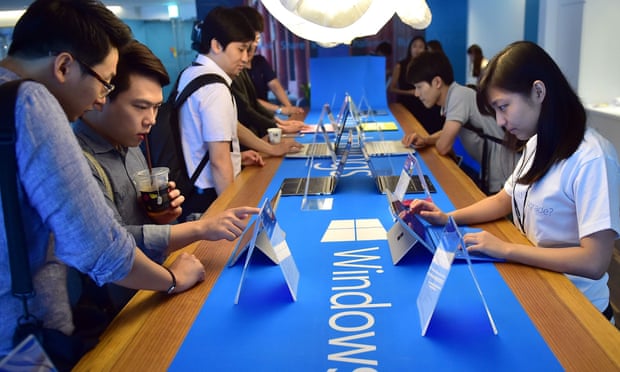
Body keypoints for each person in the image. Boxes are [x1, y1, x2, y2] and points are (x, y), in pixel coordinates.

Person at [0, 0, 204, 361]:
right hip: (20, 339)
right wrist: (172, 280)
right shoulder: (31, 102)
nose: (99, 100)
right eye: (106, 84)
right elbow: (99, 247)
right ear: (64, 66)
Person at [409, 41, 620, 319]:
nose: (500, 121)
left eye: (504, 107)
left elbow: (594, 261)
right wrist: (448, 217)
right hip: (540, 285)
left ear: (538, 91)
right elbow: (504, 199)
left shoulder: (592, 158)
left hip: (579, 309)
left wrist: (507, 249)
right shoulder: (536, 143)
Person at [74, 40, 260, 311]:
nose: (150, 119)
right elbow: (111, 244)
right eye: (140, 107)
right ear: (102, 96)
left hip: (156, 286)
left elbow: (141, 224)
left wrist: (160, 218)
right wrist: (199, 228)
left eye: (156, 107)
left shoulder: (130, 143)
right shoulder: (76, 161)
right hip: (119, 306)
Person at [178, 6, 265, 219]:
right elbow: (219, 161)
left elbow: (199, 138)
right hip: (209, 198)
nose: (246, 58)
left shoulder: (191, 73)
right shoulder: (215, 88)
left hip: (194, 191)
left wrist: (236, 156)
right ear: (216, 45)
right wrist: (235, 213)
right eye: (241, 49)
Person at [401, 51, 517, 194]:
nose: (416, 94)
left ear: (437, 82)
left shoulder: (458, 96)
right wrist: (426, 140)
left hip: (503, 175)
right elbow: (449, 132)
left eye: (419, 87)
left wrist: (438, 142)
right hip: (497, 172)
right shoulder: (455, 95)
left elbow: (443, 146)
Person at [233, 6, 306, 137]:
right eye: (241, 49)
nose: (253, 46)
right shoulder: (231, 74)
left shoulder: (258, 61)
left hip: (261, 128)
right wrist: (280, 120)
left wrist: (286, 114)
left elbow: (272, 88)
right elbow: (248, 107)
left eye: (257, 39)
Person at [389, 36, 443, 134]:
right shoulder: (400, 65)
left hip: (424, 104)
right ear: (410, 48)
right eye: (414, 46)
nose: (417, 49)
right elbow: (391, 88)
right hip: (406, 103)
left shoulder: (428, 67)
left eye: (420, 47)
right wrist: (408, 92)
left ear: (425, 49)